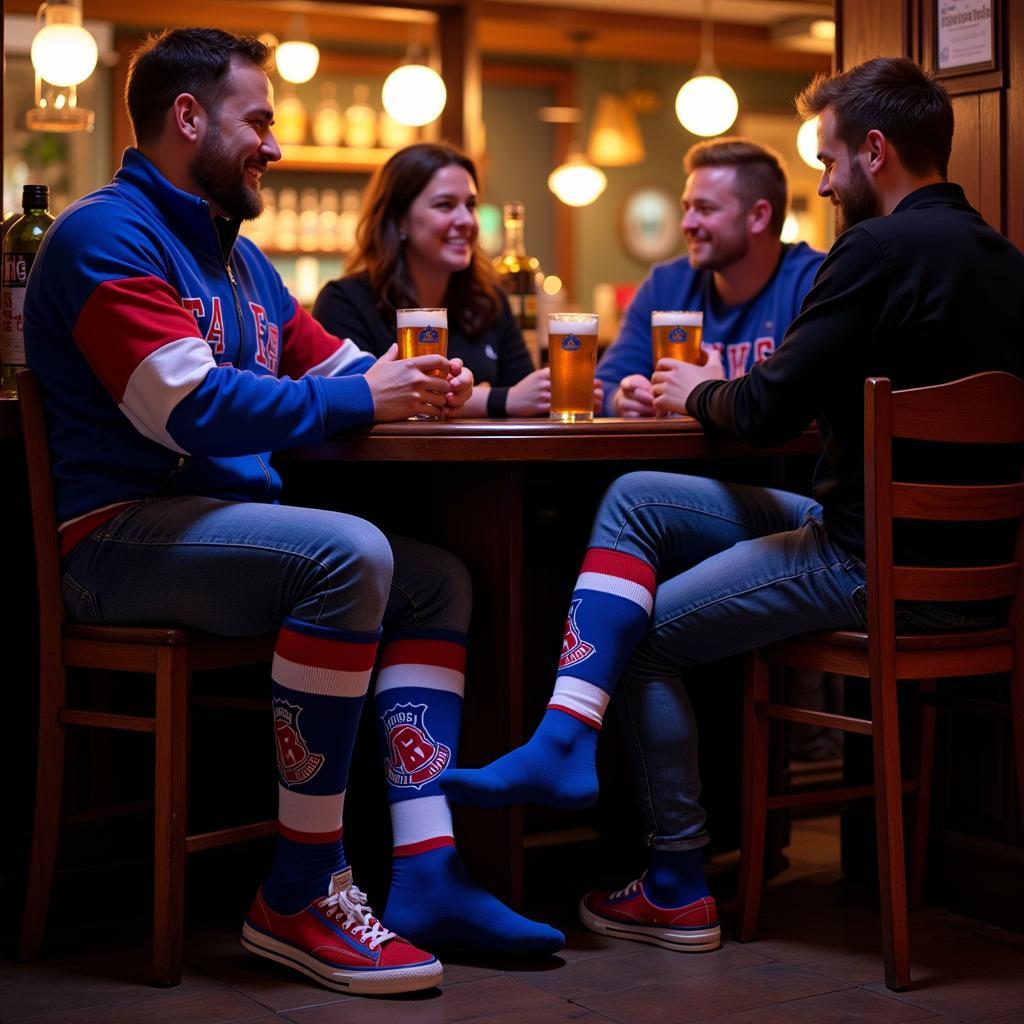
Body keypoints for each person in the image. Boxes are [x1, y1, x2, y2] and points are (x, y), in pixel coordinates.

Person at [23, 28, 562, 997]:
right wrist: (363, 395)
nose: (273, 142)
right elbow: (178, 402)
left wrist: (409, 380)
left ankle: (429, 866)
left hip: (213, 528)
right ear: (189, 118)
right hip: (118, 538)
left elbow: (333, 364)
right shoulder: (105, 234)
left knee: (438, 575)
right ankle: (301, 890)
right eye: (260, 119)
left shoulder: (240, 259)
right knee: (349, 554)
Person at [442, 56, 1024, 953]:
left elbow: (761, 412)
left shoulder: (874, 251)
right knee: (638, 495)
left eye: (829, 160)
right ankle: (564, 736)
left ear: (875, 151)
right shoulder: (1008, 263)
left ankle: (675, 879)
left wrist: (693, 393)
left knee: (633, 635)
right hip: (978, 583)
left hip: (865, 563)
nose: (823, 183)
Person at [313, 143, 552, 417]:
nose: (466, 220)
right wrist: (496, 399)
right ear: (400, 220)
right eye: (445, 205)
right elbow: (358, 400)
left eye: (470, 205)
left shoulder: (489, 302)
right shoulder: (345, 302)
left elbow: (528, 400)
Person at [596, 137, 823, 417]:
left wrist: (712, 395)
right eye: (686, 208)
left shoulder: (814, 281)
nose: (687, 224)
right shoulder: (665, 284)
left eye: (705, 209)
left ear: (759, 216)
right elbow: (603, 385)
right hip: (676, 460)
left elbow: (821, 402)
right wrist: (622, 399)